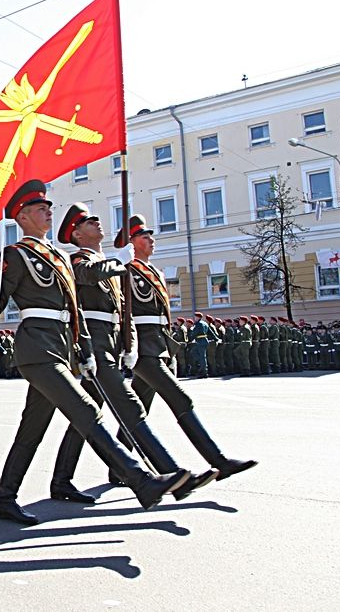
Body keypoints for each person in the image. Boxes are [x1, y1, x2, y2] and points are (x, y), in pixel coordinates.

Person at [0, 181, 189, 526]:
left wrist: (85, 351)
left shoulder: (58, 258)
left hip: (61, 347)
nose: (48, 211)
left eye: (48, 207)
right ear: (23, 217)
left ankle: (6, 497)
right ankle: (141, 480)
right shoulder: (16, 254)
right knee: (86, 409)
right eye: (40, 208)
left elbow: (75, 310)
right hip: (36, 347)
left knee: (33, 427)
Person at [49, 204, 216, 505]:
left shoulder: (107, 263)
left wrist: (129, 346)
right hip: (93, 347)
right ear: (76, 233)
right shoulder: (78, 260)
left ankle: (61, 480)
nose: (98, 222)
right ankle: (173, 475)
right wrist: (120, 260)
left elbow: (122, 313)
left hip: (110, 346)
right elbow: (88, 276)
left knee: (85, 417)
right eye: (90, 220)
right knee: (130, 408)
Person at [118, 214, 257, 482]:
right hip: (143, 347)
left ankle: (119, 468)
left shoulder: (153, 271)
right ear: (131, 243)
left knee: (137, 410)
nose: (151, 240)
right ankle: (219, 461)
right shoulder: (128, 270)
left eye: (151, 235)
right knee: (181, 400)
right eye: (144, 236)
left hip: (159, 343)